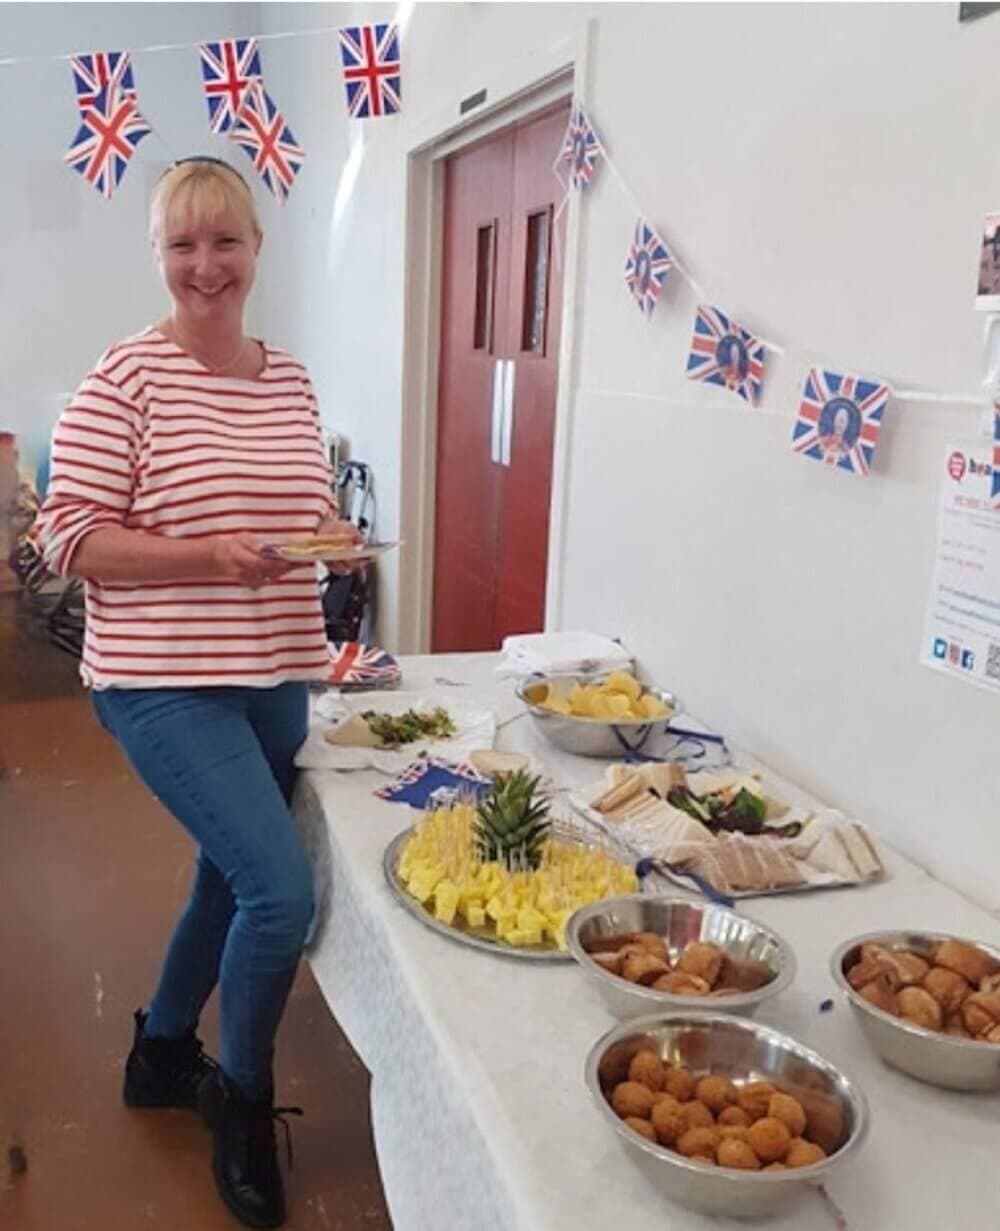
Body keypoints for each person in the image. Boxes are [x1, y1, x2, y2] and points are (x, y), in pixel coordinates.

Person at [35, 158, 361, 1230]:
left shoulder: (293, 380)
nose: (206, 265)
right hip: (163, 682)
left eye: (226, 241)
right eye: (183, 245)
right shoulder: (121, 379)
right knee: (279, 891)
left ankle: (161, 1049)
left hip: (276, 667)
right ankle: (241, 1093)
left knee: (228, 876)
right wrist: (206, 556)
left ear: (259, 247)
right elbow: (70, 538)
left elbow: (304, 501)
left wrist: (336, 538)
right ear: (158, 256)